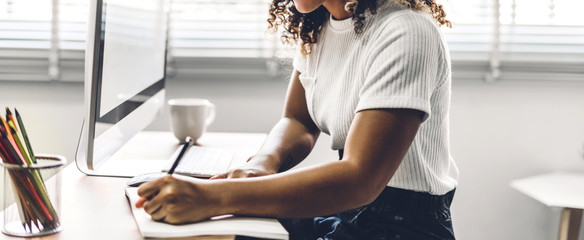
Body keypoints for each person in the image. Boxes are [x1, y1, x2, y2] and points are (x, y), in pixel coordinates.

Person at [136, 0, 458, 239]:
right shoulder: (321, 25)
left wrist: (210, 197)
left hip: (404, 226)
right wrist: (261, 164)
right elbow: (299, 120)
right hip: (348, 211)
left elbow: (362, 178)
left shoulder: (407, 31)